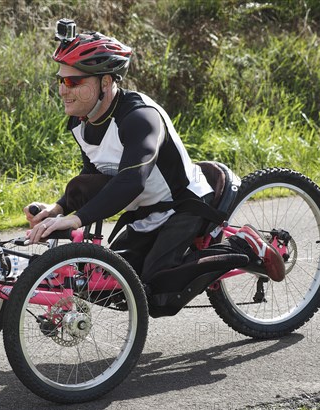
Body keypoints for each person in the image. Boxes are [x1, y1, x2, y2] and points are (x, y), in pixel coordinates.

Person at [24, 19, 285, 316]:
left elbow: (131, 181)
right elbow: (93, 178)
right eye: (60, 80)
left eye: (73, 82)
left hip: (184, 205)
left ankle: (244, 246)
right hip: (146, 213)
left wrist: (76, 221)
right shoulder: (81, 124)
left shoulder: (140, 118)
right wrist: (56, 210)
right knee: (108, 284)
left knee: (160, 297)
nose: (63, 90)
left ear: (105, 83)